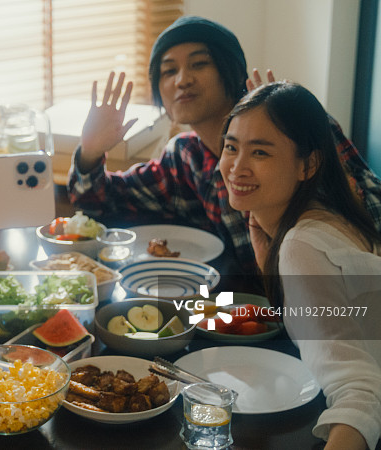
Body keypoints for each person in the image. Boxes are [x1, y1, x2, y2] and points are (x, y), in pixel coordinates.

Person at [67, 15, 381, 277]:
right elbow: (99, 204)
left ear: (230, 71)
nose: (182, 80)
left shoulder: (304, 130)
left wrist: (283, 151)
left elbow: (374, 214)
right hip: (242, 310)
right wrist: (92, 151)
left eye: (199, 64)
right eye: (168, 71)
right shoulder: (184, 156)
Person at [220, 80, 381, 450]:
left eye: (260, 153)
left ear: (308, 164)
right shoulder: (328, 212)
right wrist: (270, 268)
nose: (237, 167)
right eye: (231, 147)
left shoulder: (300, 245)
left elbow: (361, 392)